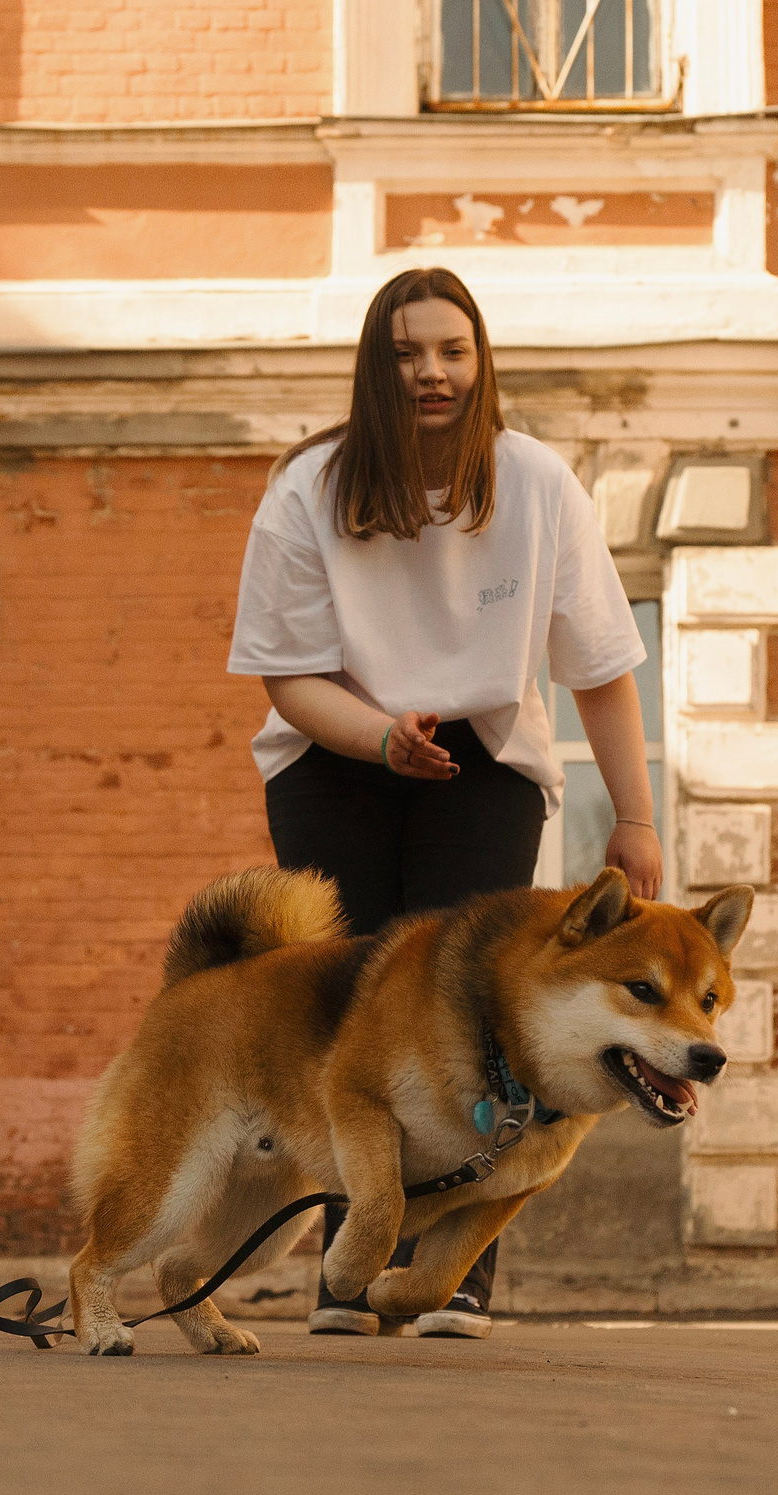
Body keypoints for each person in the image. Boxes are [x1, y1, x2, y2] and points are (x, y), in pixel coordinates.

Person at [225, 266, 660, 1339]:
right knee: (355, 1006)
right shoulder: (307, 490)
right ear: (378, 368)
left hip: (486, 758)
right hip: (336, 751)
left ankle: (455, 1271)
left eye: (451, 351)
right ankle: (348, 1266)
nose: (432, 372)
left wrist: (636, 823)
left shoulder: (536, 484)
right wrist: (379, 737)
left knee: (479, 1012)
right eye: (408, 352)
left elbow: (599, 670)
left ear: (480, 362)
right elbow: (288, 679)